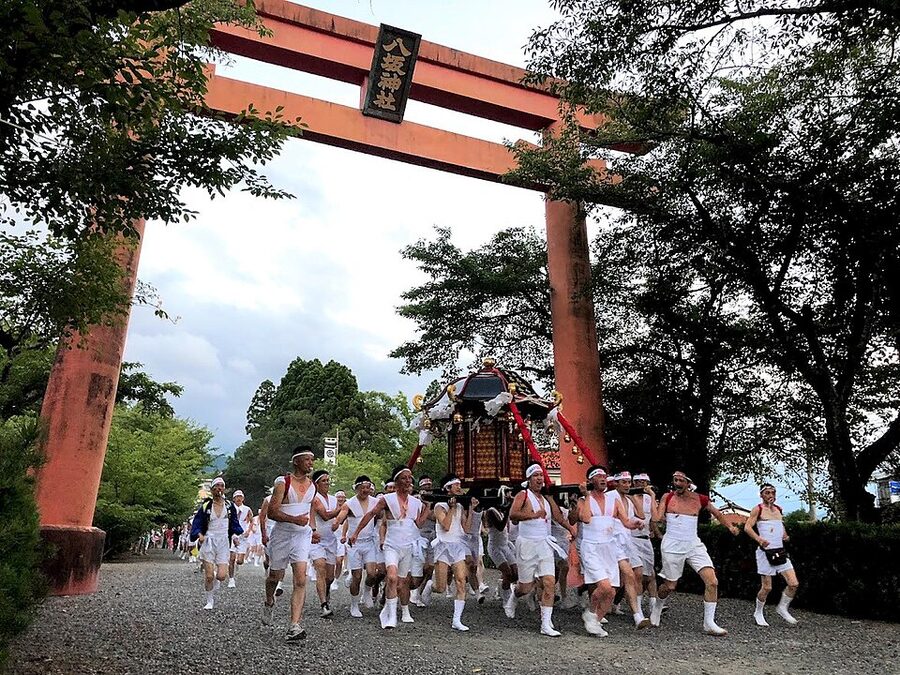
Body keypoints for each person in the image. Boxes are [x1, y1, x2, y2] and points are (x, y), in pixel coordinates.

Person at [650, 471, 740, 635]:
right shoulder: (667, 497)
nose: (677, 483)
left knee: (712, 581)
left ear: (688, 483)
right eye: (675, 480)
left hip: (693, 544)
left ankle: (709, 623)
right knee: (670, 586)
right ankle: (657, 606)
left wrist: (730, 527)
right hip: (672, 544)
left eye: (681, 481)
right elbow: (656, 518)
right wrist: (651, 497)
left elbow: (717, 513)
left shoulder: (700, 499)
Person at [349, 466, 431, 629]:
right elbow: (370, 514)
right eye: (404, 478)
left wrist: (428, 507)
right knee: (391, 577)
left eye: (410, 478)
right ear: (396, 481)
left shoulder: (416, 503)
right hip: (391, 545)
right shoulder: (387, 499)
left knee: (401, 582)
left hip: (407, 547)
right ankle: (391, 616)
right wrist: (356, 533)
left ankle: (388, 609)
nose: (408, 481)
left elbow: (419, 523)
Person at [262, 447, 329, 641]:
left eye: (312, 460)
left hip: (301, 536)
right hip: (282, 535)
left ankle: (294, 625)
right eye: (307, 460)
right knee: (275, 577)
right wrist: (294, 520)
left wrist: (313, 529)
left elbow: (309, 512)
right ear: (296, 462)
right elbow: (272, 512)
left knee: (301, 579)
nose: (311, 463)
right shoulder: (283, 483)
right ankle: (269, 601)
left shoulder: (312, 486)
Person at [504, 462, 576, 637]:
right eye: (535, 476)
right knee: (526, 587)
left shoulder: (546, 499)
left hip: (544, 543)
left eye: (541, 476)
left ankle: (545, 624)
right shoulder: (523, 495)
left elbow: (558, 517)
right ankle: (515, 595)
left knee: (550, 582)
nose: (539, 479)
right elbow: (513, 515)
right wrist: (533, 515)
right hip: (527, 544)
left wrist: (570, 527)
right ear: (529, 479)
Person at [576, 465, 644, 636]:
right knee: (604, 586)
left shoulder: (614, 501)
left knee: (612, 591)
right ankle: (591, 612)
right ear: (591, 480)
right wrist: (585, 495)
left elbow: (626, 522)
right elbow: (585, 518)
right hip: (591, 547)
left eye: (604, 476)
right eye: (598, 476)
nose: (602, 479)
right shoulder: (584, 500)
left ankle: (595, 621)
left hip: (609, 547)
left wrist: (635, 523)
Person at [744, 483, 800, 626]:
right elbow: (747, 527)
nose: (770, 496)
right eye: (767, 493)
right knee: (767, 587)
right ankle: (758, 612)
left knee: (793, 583)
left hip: (780, 551)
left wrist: (785, 534)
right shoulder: (758, 509)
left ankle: (782, 607)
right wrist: (759, 539)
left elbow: (780, 525)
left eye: (772, 493)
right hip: (765, 552)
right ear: (761, 495)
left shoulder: (779, 509)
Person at [430, 474, 477, 631]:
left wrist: (470, 509)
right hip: (443, 545)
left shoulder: (460, 506)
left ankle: (457, 620)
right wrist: (451, 507)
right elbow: (446, 526)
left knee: (461, 581)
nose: (459, 488)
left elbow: (467, 528)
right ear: (448, 488)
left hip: (457, 545)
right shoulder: (439, 506)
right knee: (441, 587)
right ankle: (430, 586)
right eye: (456, 485)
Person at [189, 477, 243, 610]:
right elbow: (197, 523)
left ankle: (216, 579)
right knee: (208, 576)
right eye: (217, 486)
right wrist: (199, 534)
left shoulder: (230, 506)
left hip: (224, 540)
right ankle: (209, 600)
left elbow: (234, 524)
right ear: (212, 489)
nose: (219, 488)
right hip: (209, 540)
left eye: (221, 486)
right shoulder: (206, 506)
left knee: (221, 575)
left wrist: (236, 536)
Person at [611, 472, 650, 629]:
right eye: (624, 482)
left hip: (627, 540)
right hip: (612, 541)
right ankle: (596, 609)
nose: (627, 485)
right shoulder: (610, 497)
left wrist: (633, 496)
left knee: (637, 572)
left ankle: (637, 614)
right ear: (616, 483)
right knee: (616, 579)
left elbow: (640, 515)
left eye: (629, 482)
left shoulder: (628, 498)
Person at [308, 469, 341, 617]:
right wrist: (342, 509)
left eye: (328, 480)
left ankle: (326, 595)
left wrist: (341, 516)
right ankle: (323, 604)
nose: (327, 483)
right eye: (324, 481)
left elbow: (338, 518)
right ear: (317, 483)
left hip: (330, 540)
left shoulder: (334, 499)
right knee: (320, 568)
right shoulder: (315, 498)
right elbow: (326, 516)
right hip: (316, 540)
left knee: (330, 577)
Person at [630, 472, 660, 616]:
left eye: (644, 482)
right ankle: (638, 608)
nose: (641, 484)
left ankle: (654, 605)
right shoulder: (629, 497)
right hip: (632, 538)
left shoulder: (649, 498)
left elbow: (655, 517)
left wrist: (653, 497)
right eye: (638, 482)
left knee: (651, 574)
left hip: (646, 538)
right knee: (639, 574)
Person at [410, 476, 436, 607]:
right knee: (420, 567)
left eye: (429, 486)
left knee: (430, 568)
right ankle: (414, 591)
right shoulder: (416, 500)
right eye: (425, 486)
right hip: (419, 536)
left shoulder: (436, 499)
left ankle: (420, 593)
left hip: (434, 536)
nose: (428, 488)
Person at [485, 505, 517, 605]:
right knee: (507, 572)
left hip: (505, 545)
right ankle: (506, 600)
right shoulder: (490, 511)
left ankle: (500, 587)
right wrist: (507, 512)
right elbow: (500, 527)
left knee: (515, 574)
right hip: (495, 546)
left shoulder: (500, 511)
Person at [227, 490, 254, 587]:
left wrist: (249, 531)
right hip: (233, 534)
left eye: (240, 497)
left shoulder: (247, 509)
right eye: (237, 497)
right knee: (232, 558)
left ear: (243, 498)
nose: (239, 498)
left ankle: (234, 568)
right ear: (233, 499)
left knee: (240, 561)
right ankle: (231, 579)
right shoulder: (230, 508)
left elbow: (252, 521)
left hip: (243, 535)